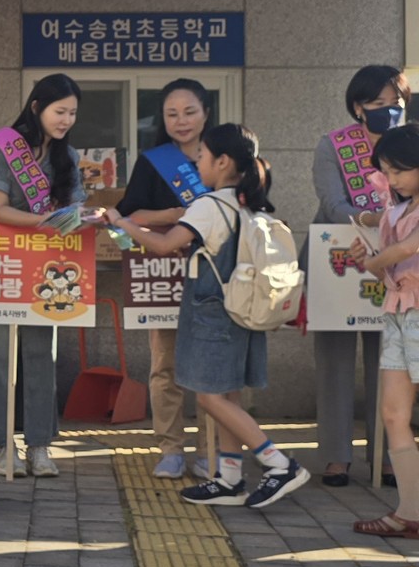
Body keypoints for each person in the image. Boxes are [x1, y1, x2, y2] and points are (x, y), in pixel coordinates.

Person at [107, 124, 311, 509]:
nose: (196, 161)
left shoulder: (209, 204)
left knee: (210, 397)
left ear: (222, 161)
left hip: (212, 313)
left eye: (201, 155)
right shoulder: (248, 200)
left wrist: (124, 224)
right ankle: (229, 478)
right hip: (242, 310)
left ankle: (278, 463)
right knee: (228, 394)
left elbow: (165, 244)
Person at [0, 74, 86, 477]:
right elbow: (0, 210)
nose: (66, 120)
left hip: (45, 266)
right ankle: (1, 444)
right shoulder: (0, 147)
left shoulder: (68, 157)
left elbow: (73, 207)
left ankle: (40, 445)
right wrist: (48, 220)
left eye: (73, 113)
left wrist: (82, 218)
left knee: (42, 353)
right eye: (59, 111)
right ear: (37, 106)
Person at [311, 66, 410, 487]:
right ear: (358, 107)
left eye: (395, 105)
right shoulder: (333, 145)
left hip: (398, 262)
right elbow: (333, 202)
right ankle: (336, 456)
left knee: (386, 357)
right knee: (334, 358)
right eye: (378, 105)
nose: (388, 113)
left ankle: (385, 456)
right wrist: (374, 218)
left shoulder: (410, 143)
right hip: (337, 254)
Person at [115, 79, 213, 480]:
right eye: (172, 114)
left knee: (212, 368)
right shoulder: (155, 160)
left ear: (206, 112)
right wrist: (175, 215)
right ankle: (170, 448)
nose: (181, 121)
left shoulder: (222, 155)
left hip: (214, 277)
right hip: (164, 275)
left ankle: (211, 450)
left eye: (189, 112)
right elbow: (129, 216)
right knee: (164, 365)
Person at [350, 124, 419, 538]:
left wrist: (374, 261)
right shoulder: (397, 211)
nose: (391, 180)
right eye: (387, 172)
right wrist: (369, 256)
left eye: (398, 171)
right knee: (393, 413)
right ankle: (409, 511)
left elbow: (407, 249)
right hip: (397, 313)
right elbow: (390, 256)